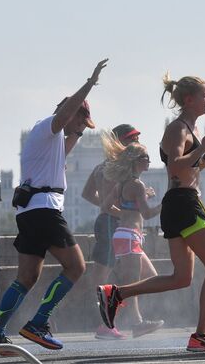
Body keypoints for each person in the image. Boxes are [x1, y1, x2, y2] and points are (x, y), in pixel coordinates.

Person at [97, 73, 205, 352]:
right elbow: (175, 168)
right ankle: (201, 335)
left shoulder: (187, 130)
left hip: (179, 203)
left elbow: (188, 170)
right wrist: (203, 149)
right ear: (190, 99)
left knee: (182, 278)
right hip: (184, 204)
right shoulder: (178, 129)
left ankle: (116, 293)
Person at [0, 58, 108, 351]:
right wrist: (91, 82)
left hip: (30, 211)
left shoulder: (49, 139)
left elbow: (64, 151)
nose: (80, 129)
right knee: (76, 266)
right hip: (45, 210)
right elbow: (67, 113)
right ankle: (38, 323)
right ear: (69, 113)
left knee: (27, 276)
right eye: (80, 122)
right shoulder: (50, 126)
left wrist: (78, 132)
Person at [100, 130, 164, 338]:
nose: (149, 161)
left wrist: (126, 215)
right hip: (129, 237)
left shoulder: (124, 184)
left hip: (126, 235)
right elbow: (147, 213)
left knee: (151, 278)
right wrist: (166, 203)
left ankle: (114, 305)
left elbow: (106, 206)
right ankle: (136, 323)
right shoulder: (137, 184)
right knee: (134, 283)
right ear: (137, 161)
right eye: (146, 158)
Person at [82, 123, 141, 340]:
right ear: (119, 142)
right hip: (111, 224)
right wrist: (114, 211)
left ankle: (135, 321)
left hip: (113, 223)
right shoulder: (115, 167)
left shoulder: (103, 166)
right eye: (131, 139)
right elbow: (105, 198)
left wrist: (106, 208)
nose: (134, 143)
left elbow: (88, 194)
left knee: (134, 274)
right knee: (103, 277)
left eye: (136, 139)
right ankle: (106, 325)